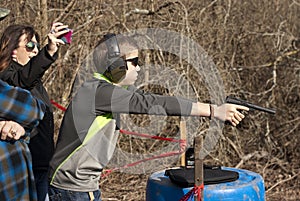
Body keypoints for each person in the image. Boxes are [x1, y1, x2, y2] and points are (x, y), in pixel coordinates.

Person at [48, 33, 249, 201]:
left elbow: (142, 98)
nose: (138, 67)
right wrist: (214, 111)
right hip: (73, 189)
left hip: (77, 185)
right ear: (116, 65)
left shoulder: (103, 91)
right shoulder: (99, 93)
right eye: (134, 62)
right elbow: (153, 103)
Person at [0, 22, 69, 201]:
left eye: (37, 46)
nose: (35, 51)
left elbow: (30, 76)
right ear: (12, 50)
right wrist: (49, 50)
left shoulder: (32, 80)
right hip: (22, 169)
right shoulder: (7, 77)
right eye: (30, 45)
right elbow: (23, 79)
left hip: (41, 165)